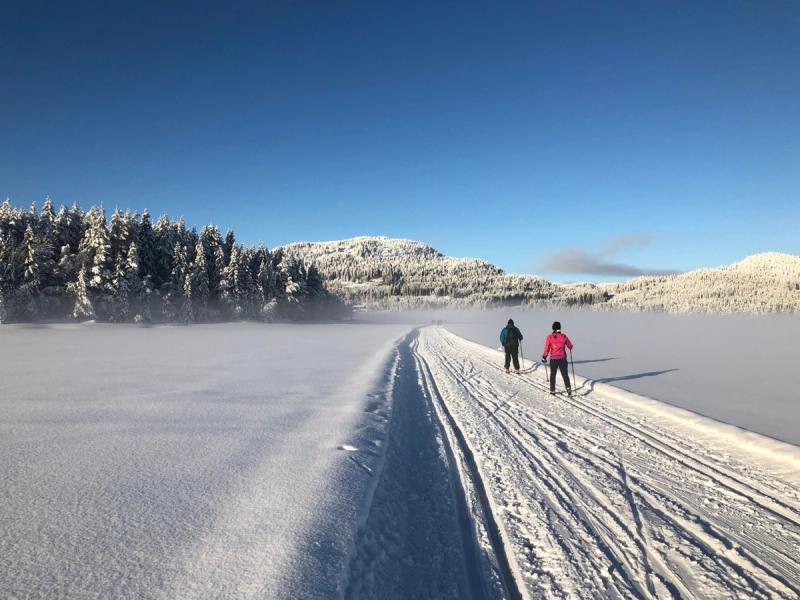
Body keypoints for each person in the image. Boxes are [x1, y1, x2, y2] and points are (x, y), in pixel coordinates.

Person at [542, 321, 573, 395]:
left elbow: (547, 348)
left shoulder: (549, 337)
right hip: (562, 358)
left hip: (553, 359)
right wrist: (569, 346)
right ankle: (568, 388)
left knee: (553, 375)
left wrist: (544, 357)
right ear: (559, 328)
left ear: (553, 328)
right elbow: (570, 346)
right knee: (565, 374)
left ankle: (552, 390)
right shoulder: (564, 336)